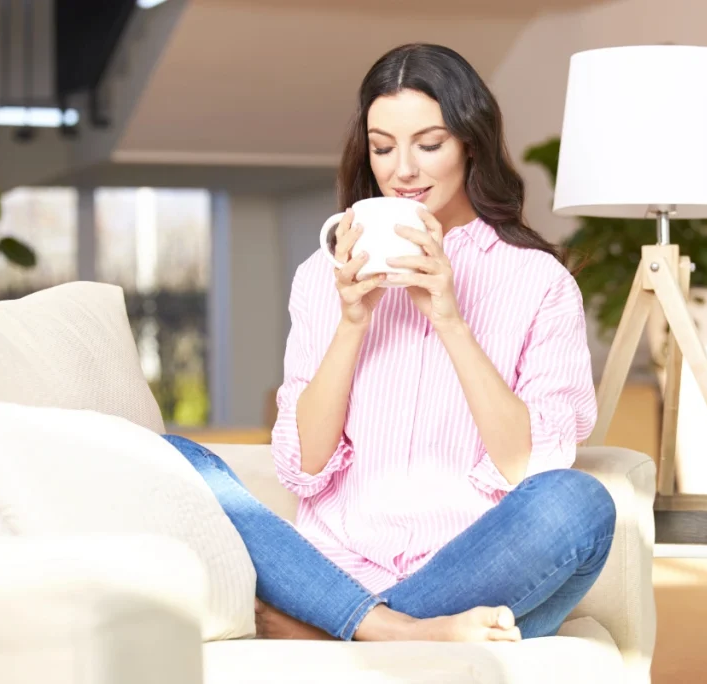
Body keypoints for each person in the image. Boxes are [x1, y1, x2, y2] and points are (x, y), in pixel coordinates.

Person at [163, 42, 615, 644]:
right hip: (332, 570)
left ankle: (334, 634)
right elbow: (305, 465)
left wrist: (452, 320)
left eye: (429, 144)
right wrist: (352, 321)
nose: (402, 169)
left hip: (467, 572)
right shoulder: (320, 278)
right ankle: (397, 632)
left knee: (577, 503)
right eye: (383, 147)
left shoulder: (539, 282)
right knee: (172, 460)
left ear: (470, 144)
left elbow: (528, 468)